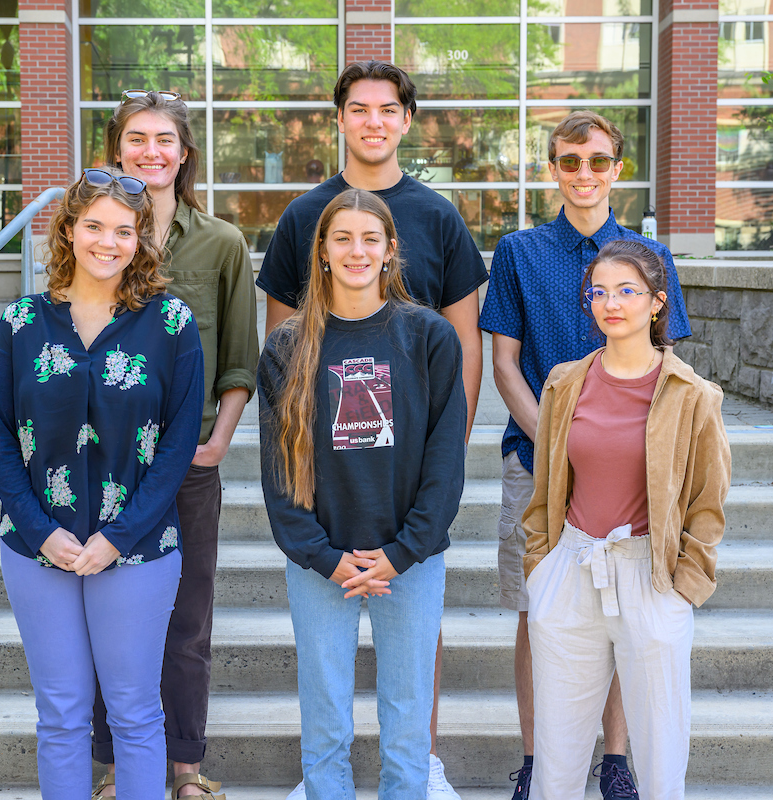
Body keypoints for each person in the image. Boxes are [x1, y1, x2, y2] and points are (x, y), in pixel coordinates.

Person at [257, 61, 488, 800]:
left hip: (407, 555)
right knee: (324, 719)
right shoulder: (291, 346)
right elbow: (278, 463)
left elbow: (443, 452)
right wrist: (320, 554)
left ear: (393, 251)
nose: (356, 251)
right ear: (319, 251)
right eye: (342, 240)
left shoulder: (427, 337)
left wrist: (403, 549)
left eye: (371, 241)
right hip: (319, 555)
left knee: (405, 716)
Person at [478, 110, 692, 800]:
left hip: (629, 470)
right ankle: (541, 760)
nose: (584, 174)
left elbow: (667, 367)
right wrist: (557, 440)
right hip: (536, 458)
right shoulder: (518, 252)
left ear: (617, 170)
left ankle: (618, 760)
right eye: (570, 161)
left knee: (629, 611)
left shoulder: (649, 259)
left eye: (598, 161)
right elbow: (505, 363)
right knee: (535, 607)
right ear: (552, 169)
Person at [0, 168, 204, 800]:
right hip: (36, 548)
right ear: (70, 230)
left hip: (136, 548)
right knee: (61, 715)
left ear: (142, 240)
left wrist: (119, 536)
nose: (109, 242)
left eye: (125, 231)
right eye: (96, 226)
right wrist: (41, 530)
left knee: (134, 713)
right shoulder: (23, 323)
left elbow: (178, 444)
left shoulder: (171, 324)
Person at [88, 89, 260, 800]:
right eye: (136, 138)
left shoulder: (220, 242)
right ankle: (112, 768)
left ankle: (186, 767)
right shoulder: (94, 235)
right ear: (116, 149)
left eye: (164, 139)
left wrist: (219, 441)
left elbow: (240, 358)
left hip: (186, 465)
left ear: (184, 154)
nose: (150, 151)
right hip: (103, 466)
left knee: (187, 618)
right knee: (105, 616)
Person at [522, 239, 730, 799]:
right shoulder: (565, 383)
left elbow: (708, 505)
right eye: (599, 292)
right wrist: (541, 569)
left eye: (627, 291)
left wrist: (684, 586)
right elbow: (544, 491)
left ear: (658, 302)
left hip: (652, 576)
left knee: (662, 758)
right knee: (558, 758)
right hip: (572, 569)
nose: (611, 303)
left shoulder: (693, 396)